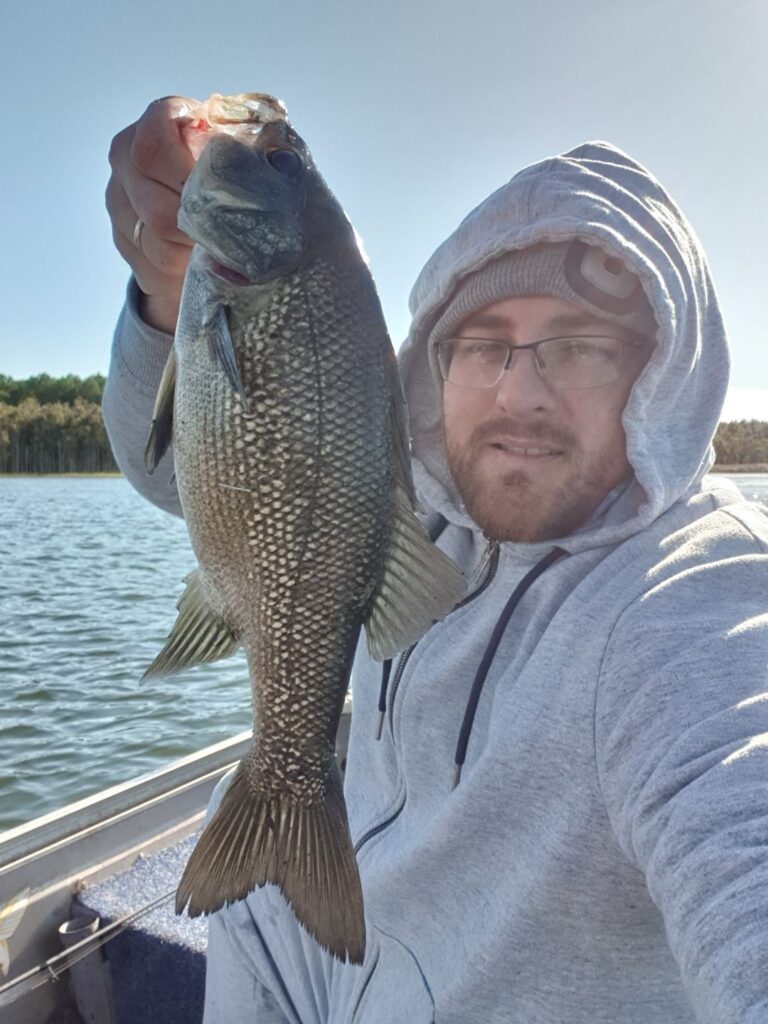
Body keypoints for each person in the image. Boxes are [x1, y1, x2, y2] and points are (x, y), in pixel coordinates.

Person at [104, 98, 768, 1024]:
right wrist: (165, 296)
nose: (520, 393)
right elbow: (168, 462)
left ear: (660, 376)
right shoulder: (404, 506)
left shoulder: (694, 600)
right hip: (340, 938)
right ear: (434, 367)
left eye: (579, 349)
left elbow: (741, 823)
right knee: (240, 842)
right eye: (486, 345)